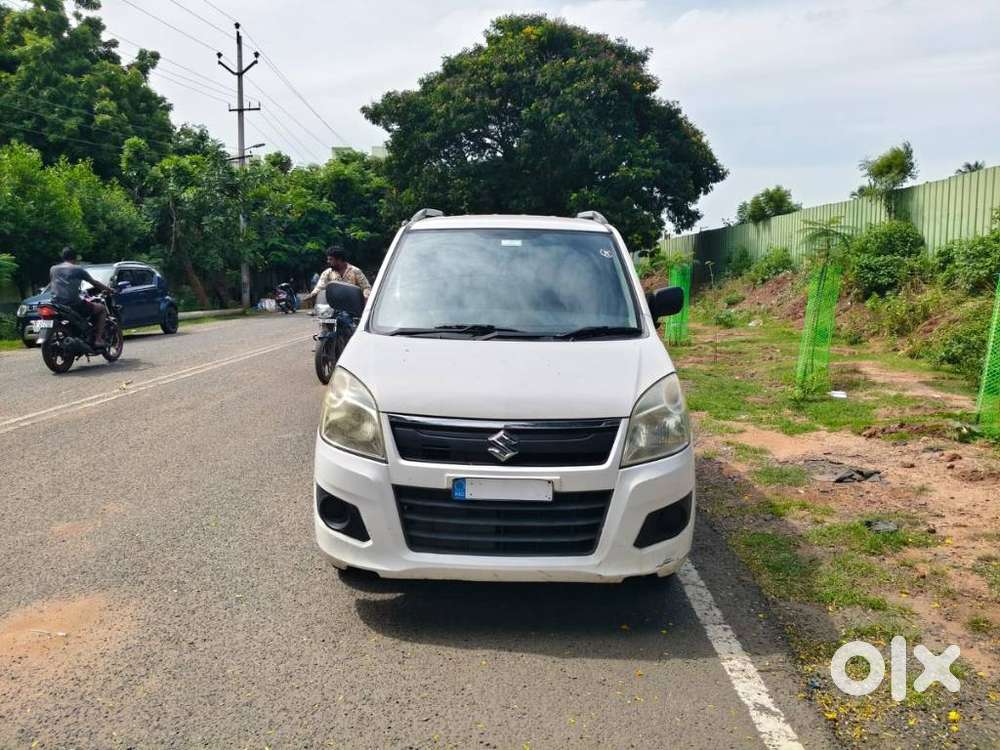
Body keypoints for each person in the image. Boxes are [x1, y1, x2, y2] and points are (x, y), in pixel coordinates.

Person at [49, 247, 114, 347]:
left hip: (56, 304)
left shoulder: (53, 269)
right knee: (101, 309)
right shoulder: (78, 269)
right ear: (75, 257)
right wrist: (109, 290)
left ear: (63, 257)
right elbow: (94, 282)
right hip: (73, 304)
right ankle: (98, 339)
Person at [305, 246, 371, 304]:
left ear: (339, 260)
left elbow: (366, 287)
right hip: (333, 307)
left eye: (330, 259)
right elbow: (320, 287)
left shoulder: (355, 271)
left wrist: (366, 299)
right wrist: (311, 296)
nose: (328, 261)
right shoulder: (327, 273)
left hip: (353, 306)